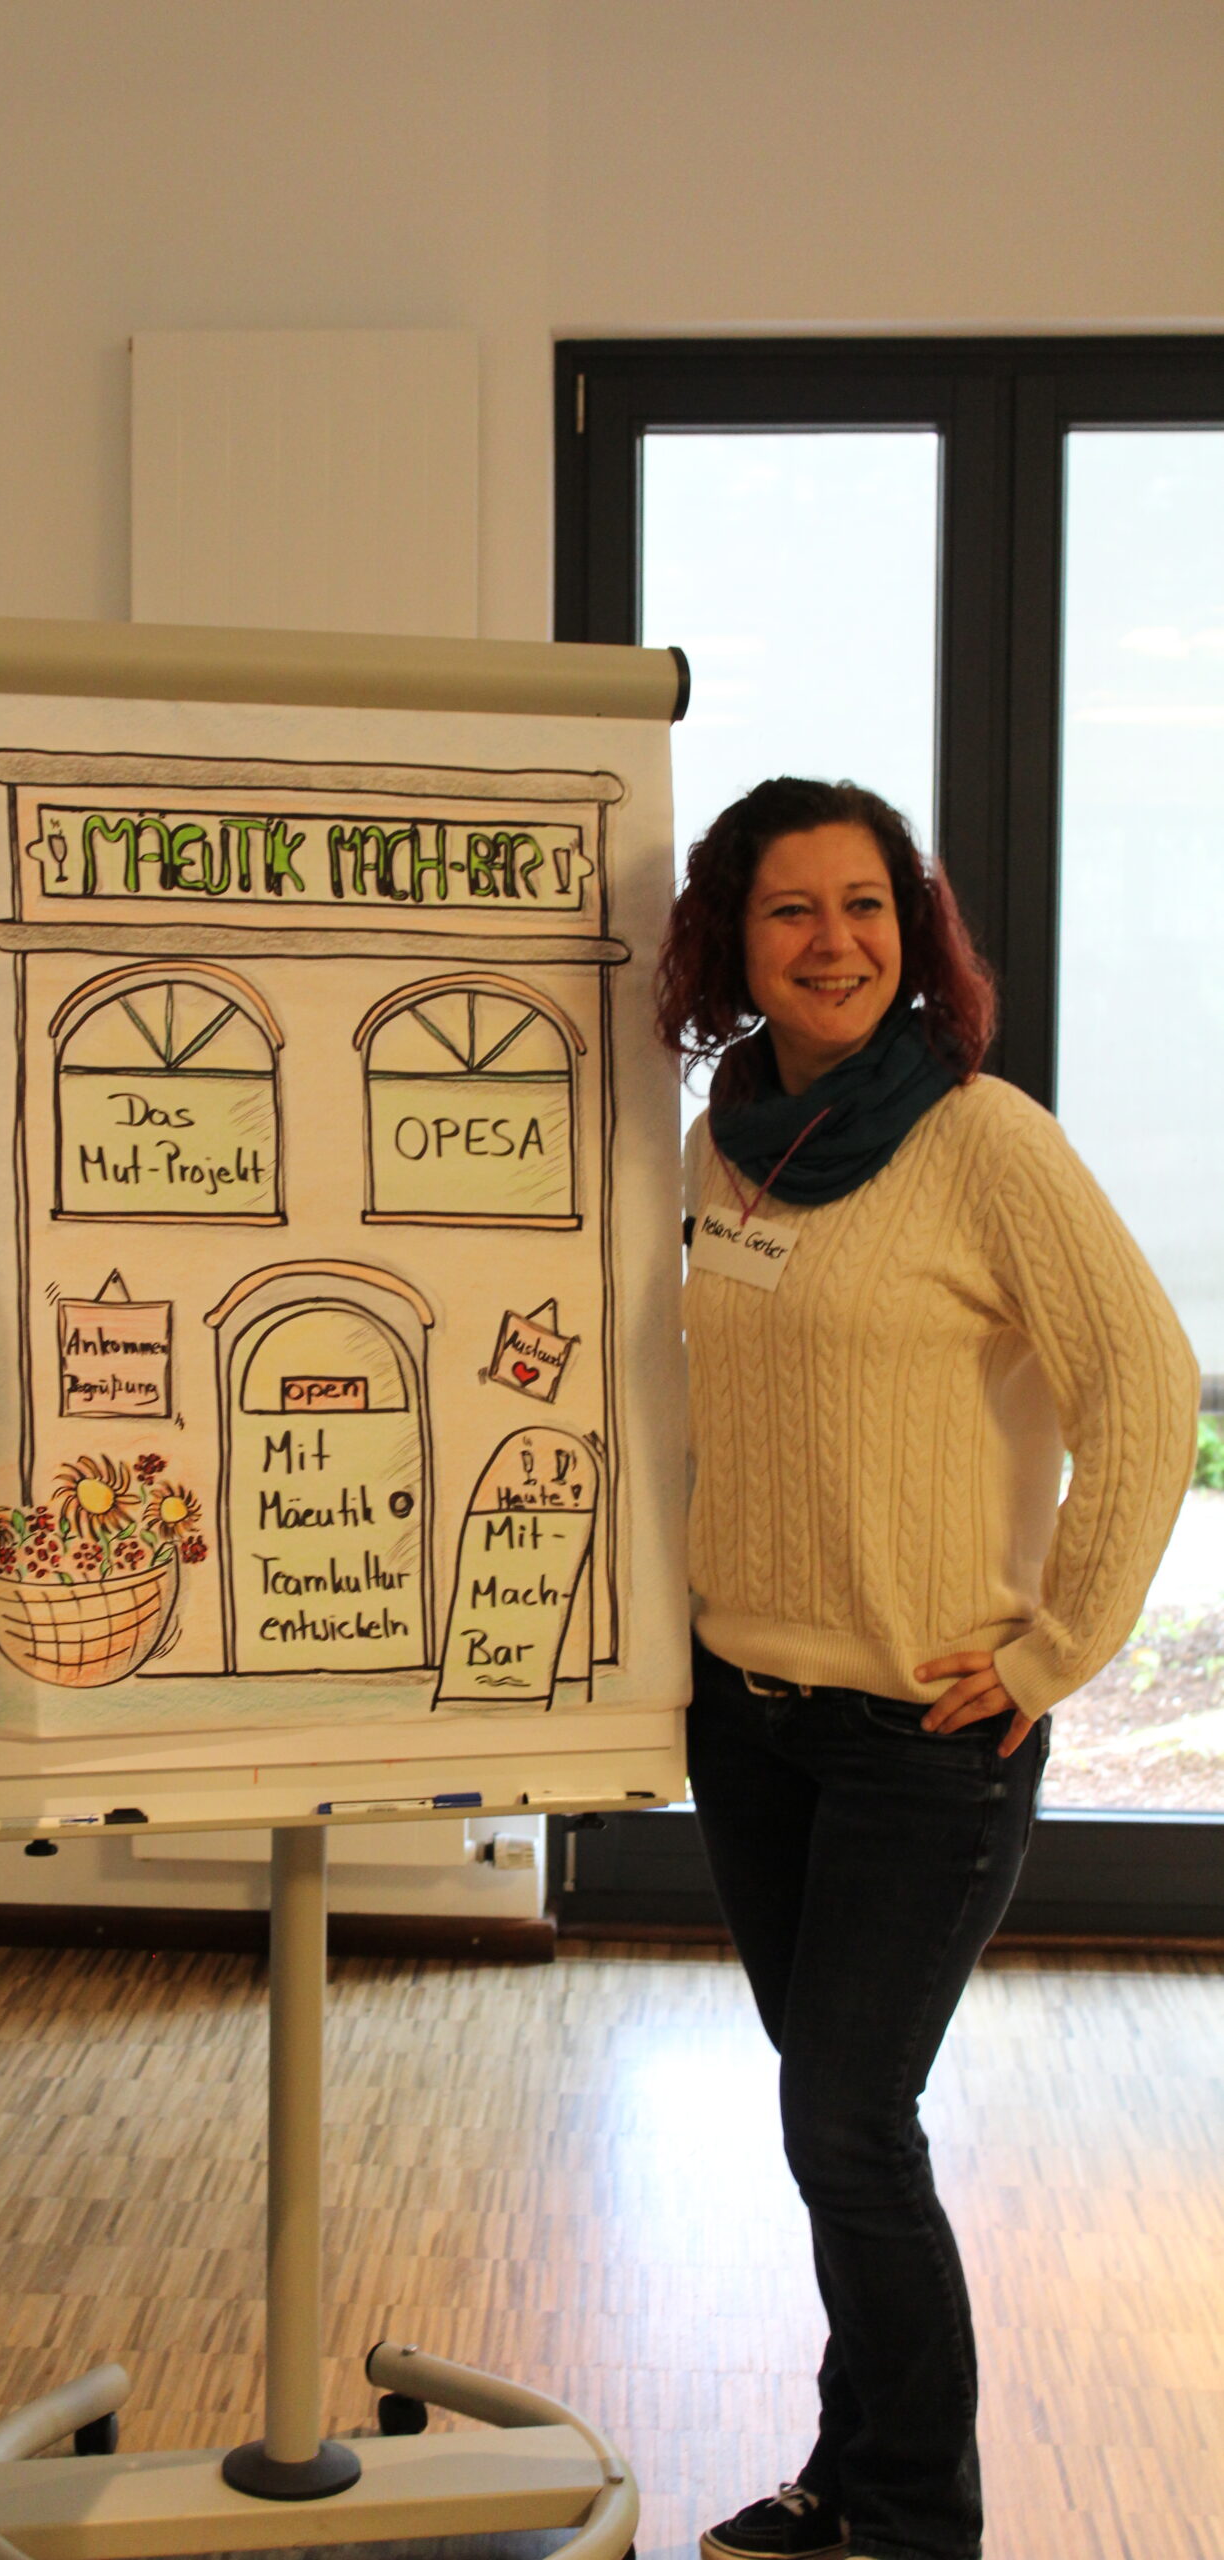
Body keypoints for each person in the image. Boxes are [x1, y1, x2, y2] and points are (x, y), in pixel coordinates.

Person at [655, 778, 1197, 2560]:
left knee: (848, 2122)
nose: (835, 943)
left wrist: (1059, 1643)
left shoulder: (986, 1142)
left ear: (915, 929)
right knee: (837, 2128)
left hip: (922, 1736)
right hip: (747, 1720)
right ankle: (852, 2474)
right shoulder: (721, 1142)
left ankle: (911, 2518)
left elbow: (1146, 1382)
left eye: (867, 905)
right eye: (792, 910)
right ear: (734, 942)